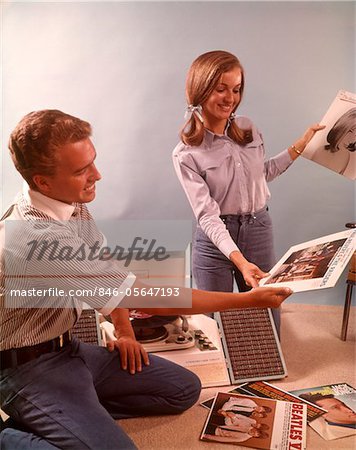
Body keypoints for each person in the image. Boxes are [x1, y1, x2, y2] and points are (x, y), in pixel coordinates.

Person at [0, 109, 293, 450]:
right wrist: (246, 301)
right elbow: (144, 296)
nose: (98, 174)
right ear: (43, 181)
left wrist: (124, 332)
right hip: (27, 370)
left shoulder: (69, 202)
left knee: (184, 390)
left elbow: (110, 273)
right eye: (82, 171)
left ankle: (73, 418)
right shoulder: (35, 237)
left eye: (93, 161)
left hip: (70, 350)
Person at [172, 50, 325, 330]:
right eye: (220, 89)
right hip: (214, 238)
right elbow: (207, 215)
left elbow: (261, 174)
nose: (230, 98)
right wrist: (240, 261)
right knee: (212, 323)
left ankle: (263, 373)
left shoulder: (249, 128)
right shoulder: (186, 154)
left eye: (236, 89)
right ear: (201, 89)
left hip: (257, 229)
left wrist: (301, 145)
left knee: (265, 317)